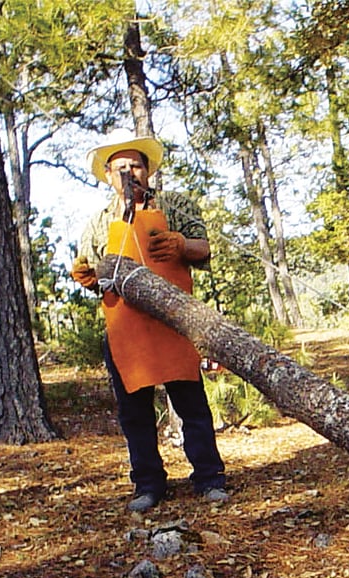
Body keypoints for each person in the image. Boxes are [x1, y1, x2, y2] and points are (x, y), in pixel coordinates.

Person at [71, 129, 228, 513]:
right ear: (108, 175)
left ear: (147, 171)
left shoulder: (175, 204)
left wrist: (180, 245)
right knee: (134, 413)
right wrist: (86, 277)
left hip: (174, 323)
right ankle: (148, 484)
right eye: (121, 167)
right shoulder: (97, 222)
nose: (129, 173)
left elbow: (204, 248)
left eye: (136, 165)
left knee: (192, 407)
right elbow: (91, 272)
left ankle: (209, 479)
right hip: (125, 329)